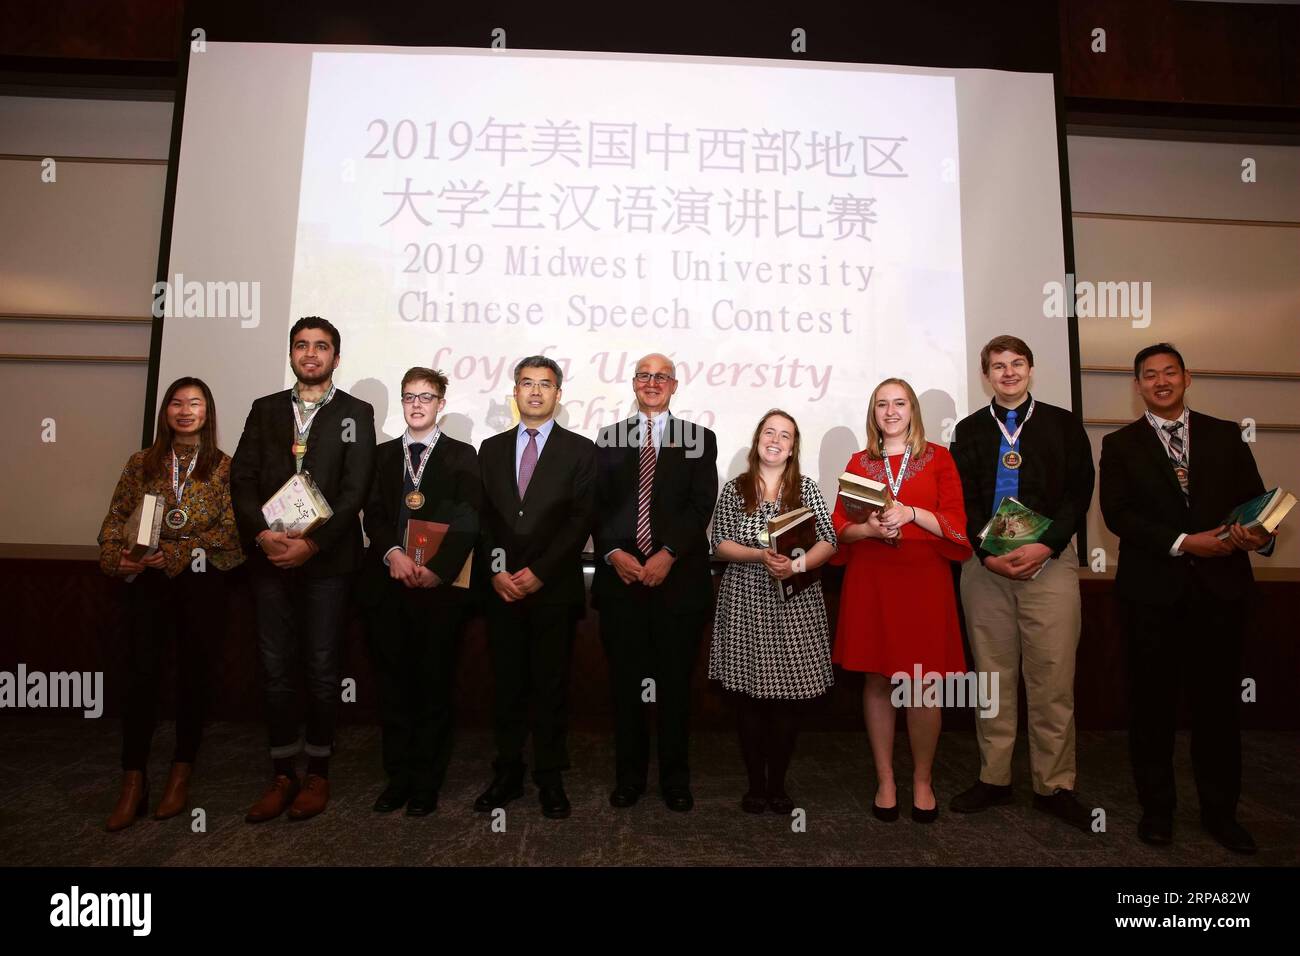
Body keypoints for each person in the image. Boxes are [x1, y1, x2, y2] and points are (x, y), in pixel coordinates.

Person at [1100, 343, 1275, 854]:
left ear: (1187, 378)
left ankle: (1221, 814)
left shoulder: (1226, 436)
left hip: (1221, 594)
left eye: (1169, 373)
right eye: (1149, 375)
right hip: (1151, 596)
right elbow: (1118, 515)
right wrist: (1183, 543)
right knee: (1151, 707)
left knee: (1218, 709)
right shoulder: (1120, 444)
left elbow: (1256, 504)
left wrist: (1260, 536)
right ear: (1138, 386)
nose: (1160, 382)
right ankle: (1158, 811)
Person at [230, 316, 376, 822]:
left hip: (327, 563)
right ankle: (281, 774)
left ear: (337, 357)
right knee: (274, 669)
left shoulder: (357, 412)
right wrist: (262, 534)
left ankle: (318, 773)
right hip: (270, 559)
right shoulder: (265, 409)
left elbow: (356, 490)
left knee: (320, 669)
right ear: (291, 353)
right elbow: (242, 478)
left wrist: (312, 547)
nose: (310, 354)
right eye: (301, 346)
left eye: (321, 347)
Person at [948, 335, 1096, 830]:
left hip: (1048, 565)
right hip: (985, 569)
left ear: (1031, 369)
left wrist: (1046, 544)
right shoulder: (968, 432)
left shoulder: (1061, 424)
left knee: (1052, 679)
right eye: (997, 366)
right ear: (985, 375)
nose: (1007, 373)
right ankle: (994, 779)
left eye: (1017, 364)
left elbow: (1080, 492)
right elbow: (962, 502)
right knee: (992, 679)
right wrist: (988, 555)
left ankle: (1054, 785)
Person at [97, 377, 244, 831]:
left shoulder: (225, 466)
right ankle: (133, 779)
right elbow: (115, 518)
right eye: (176, 403)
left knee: (192, 678)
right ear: (165, 412)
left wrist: (178, 552)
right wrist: (116, 556)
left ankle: (181, 773)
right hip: (147, 582)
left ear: (207, 412)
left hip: (203, 584)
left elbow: (232, 534)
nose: (185, 410)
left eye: (194, 403)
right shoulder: (142, 462)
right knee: (141, 677)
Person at [831, 379, 970, 823]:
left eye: (899, 403)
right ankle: (886, 778)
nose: (890, 411)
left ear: (912, 410)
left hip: (923, 582)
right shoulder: (859, 462)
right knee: (877, 680)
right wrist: (870, 529)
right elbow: (839, 530)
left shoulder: (939, 458)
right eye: (881, 404)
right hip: (872, 579)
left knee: (923, 685)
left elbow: (957, 525)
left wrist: (912, 514)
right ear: (873, 413)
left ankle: (923, 780)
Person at [593, 353, 717, 812]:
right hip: (620, 583)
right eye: (644, 376)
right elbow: (596, 504)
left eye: (660, 377)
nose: (652, 383)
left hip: (677, 585)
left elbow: (700, 506)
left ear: (675, 385)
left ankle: (675, 779)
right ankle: (629, 779)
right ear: (633, 383)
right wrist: (612, 551)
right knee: (625, 688)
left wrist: (668, 553)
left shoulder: (699, 439)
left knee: (674, 689)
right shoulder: (609, 439)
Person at [475, 355, 596, 819]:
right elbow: (481, 518)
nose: (536, 392)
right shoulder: (490, 448)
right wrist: (497, 569)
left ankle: (549, 776)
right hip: (501, 588)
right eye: (527, 383)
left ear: (558, 395)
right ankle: (506, 772)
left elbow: (581, 518)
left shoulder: (581, 450)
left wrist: (541, 571)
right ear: (516, 392)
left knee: (550, 688)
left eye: (545, 384)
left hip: (554, 588)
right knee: (506, 686)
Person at [360, 367, 479, 817]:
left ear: (440, 405)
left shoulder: (463, 455)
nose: (416, 404)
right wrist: (392, 552)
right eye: (409, 396)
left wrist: (440, 571)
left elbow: (469, 518)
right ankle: (399, 778)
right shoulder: (382, 454)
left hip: (440, 593)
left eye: (426, 397)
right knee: (393, 687)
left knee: (433, 687)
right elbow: (371, 513)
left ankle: (427, 782)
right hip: (388, 586)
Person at [710, 410, 837, 814]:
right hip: (745, 601)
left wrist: (795, 565)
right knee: (748, 701)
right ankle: (754, 785)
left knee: (785, 701)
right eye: (770, 432)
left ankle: (778, 785)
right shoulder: (735, 489)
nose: (776, 440)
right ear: (757, 439)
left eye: (785, 435)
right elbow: (720, 544)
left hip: (795, 604)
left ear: (793, 446)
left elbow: (829, 540)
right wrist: (760, 556)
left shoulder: (807, 489)